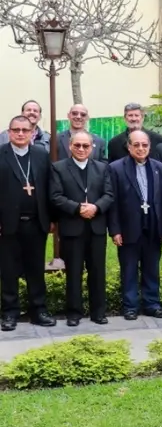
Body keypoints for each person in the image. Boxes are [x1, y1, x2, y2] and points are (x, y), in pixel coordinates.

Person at [50, 130, 114, 326]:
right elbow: (56, 196)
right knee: (73, 272)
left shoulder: (102, 168)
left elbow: (109, 194)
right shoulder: (58, 168)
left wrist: (96, 207)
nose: (81, 149)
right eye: (77, 145)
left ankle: (98, 312)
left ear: (92, 147)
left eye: (85, 145)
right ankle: (74, 313)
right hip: (72, 227)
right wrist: (78, 208)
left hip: (96, 228)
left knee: (97, 271)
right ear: (70, 146)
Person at [0, 116, 54, 331]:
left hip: (36, 222)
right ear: (9, 132)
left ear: (32, 133)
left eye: (25, 130)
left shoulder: (41, 154)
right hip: (7, 224)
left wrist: (51, 219)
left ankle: (38, 310)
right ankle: (9, 312)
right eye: (16, 130)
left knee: (36, 268)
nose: (20, 133)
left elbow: (50, 187)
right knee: (8, 270)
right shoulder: (1, 153)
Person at [108, 130, 162, 320]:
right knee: (129, 269)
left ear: (150, 146)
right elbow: (112, 202)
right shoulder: (116, 168)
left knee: (152, 268)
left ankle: (152, 304)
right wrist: (115, 230)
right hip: (128, 228)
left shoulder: (160, 168)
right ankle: (130, 306)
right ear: (129, 147)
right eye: (136, 145)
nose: (141, 148)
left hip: (153, 226)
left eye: (144, 145)